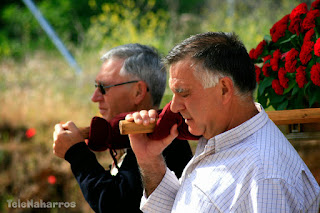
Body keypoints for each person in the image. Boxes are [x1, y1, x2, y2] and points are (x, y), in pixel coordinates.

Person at [126, 32, 320, 212]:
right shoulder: (219, 136)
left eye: (183, 93)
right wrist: (149, 160)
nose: (174, 107)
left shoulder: (265, 175)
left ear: (224, 89)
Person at [52, 43, 193, 213]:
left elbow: (115, 205)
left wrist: (76, 154)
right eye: (96, 87)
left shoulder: (163, 139)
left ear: (138, 92)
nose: (95, 97)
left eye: (103, 88)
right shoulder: (130, 139)